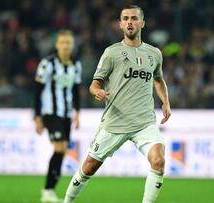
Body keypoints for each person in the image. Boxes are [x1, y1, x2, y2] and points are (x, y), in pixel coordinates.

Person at [63, 5, 171, 203]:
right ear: (120, 24)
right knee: (89, 166)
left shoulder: (154, 54)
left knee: (159, 160)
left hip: (144, 123)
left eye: (134, 18)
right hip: (115, 122)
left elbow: (158, 79)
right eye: (126, 18)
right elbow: (94, 84)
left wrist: (166, 102)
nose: (130, 22)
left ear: (142, 23)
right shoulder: (111, 53)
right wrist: (97, 91)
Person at [34, 30, 82, 202]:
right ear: (57, 45)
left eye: (68, 43)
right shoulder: (47, 63)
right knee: (60, 148)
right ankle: (47, 190)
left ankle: (50, 190)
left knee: (62, 150)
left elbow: (76, 90)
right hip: (50, 112)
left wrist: (77, 112)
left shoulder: (76, 64)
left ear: (72, 45)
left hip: (66, 114)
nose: (65, 46)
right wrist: (37, 116)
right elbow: (38, 91)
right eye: (62, 42)